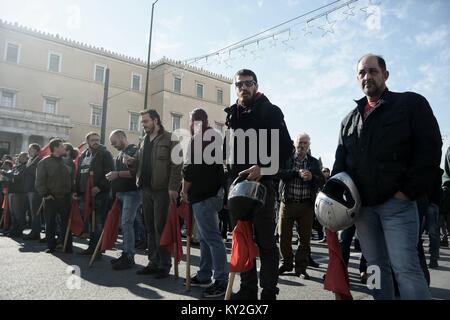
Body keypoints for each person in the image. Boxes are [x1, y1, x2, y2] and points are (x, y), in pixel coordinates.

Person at [332, 54, 442, 300]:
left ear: (385, 75)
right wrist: (332, 201)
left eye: (373, 71)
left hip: (398, 205)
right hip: (363, 211)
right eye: (362, 72)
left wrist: (407, 192)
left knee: (406, 269)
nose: (367, 76)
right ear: (357, 78)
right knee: (374, 267)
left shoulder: (410, 104)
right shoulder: (348, 120)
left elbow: (431, 148)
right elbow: (340, 165)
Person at [224, 69, 293, 300]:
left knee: (265, 242)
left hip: (262, 187)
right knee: (242, 239)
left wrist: (262, 168)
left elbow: (286, 149)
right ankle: (248, 290)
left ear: (256, 85)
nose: (243, 87)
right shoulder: (232, 114)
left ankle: (269, 292)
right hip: (237, 187)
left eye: (248, 83)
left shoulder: (270, 111)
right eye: (239, 84)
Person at [127, 109, 182, 279]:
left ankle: (164, 265)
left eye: (145, 121)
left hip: (162, 191)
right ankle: (153, 262)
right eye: (142, 122)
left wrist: (173, 187)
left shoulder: (171, 138)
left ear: (156, 120)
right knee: (149, 227)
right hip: (146, 189)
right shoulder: (143, 140)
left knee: (160, 227)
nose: (143, 124)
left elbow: (177, 164)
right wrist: (132, 163)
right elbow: (141, 165)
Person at [181, 108, 228, 298]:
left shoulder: (200, 138)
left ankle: (221, 279)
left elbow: (191, 169)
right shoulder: (214, 136)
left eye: (192, 121)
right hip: (211, 194)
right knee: (206, 238)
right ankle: (204, 274)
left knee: (212, 238)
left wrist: (184, 190)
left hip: (203, 195)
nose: (191, 125)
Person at [278, 133, 325, 279]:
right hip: (288, 203)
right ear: (295, 144)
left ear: (309, 145)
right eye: (300, 143)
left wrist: (312, 177)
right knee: (283, 237)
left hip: (306, 205)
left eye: (305, 143)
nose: (302, 146)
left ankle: (301, 268)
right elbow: (280, 173)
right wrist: (296, 172)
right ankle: (286, 263)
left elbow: (321, 180)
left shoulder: (313, 162)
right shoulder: (287, 159)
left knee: (304, 240)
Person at [106, 130, 140, 270]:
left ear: (122, 138)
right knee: (124, 223)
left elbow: (134, 172)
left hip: (131, 193)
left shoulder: (133, 150)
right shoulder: (120, 153)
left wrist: (116, 174)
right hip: (122, 193)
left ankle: (129, 256)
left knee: (127, 223)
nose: (113, 145)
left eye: (114, 142)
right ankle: (126, 253)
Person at [75, 132, 114, 255]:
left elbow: (110, 173)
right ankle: (92, 246)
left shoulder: (105, 154)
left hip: (99, 194)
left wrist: (100, 187)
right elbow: (79, 174)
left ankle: (96, 249)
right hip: (84, 194)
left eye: (97, 139)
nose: (96, 141)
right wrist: (76, 190)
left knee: (97, 222)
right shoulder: (83, 155)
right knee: (89, 221)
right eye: (93, 140)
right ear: (88, 141)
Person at [35, 139, 74, 253]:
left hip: (66, 197)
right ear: (55, 148)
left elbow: (73, 179)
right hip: (51, 198)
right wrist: (45, 194)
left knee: (66, 223)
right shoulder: (44, 162)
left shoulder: (68, 162)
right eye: (62, 146)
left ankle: (67, 246)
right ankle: (51, 246)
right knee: (50, 223)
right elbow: (39, 180)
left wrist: (73, 191)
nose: (64, 148)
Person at [23, 144, 43, 240]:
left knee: (35, 213)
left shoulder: (39, 160)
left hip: (35, 190)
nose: (28, 151)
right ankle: (34, 231)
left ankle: (36, 233)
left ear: (36, 150)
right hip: (29, 189)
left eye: (30, 149)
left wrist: (27, 168)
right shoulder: (31, 160)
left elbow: (37, 174)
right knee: (32, 213)